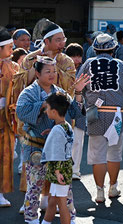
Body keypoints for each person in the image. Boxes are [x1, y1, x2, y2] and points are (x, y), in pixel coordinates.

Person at [16, 57, 87, 224]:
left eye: (54, 71)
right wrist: (44, 104)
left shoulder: (59, 92)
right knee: (34, 185)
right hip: (36, 146)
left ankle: (70, 216)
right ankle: (31, 217)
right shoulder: (28, 92)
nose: (52, 74)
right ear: (38, 73)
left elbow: (75, 113)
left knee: (65, 187)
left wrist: (77, 93)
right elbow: (21, 112)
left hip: (58, 151)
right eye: (48, 71)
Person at [78, 34, 123, 203]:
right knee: (114, 152)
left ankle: (99, 192)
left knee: (97, 153)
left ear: (94, 49)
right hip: (115, 114)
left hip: (94, 113)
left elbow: (78, 87)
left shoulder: (88, 65)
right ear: (114, 49)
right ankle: (113, 187)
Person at [40, 92, 76, 224]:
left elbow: (56, 153)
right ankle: (46, 222)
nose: (46, 111)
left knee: (61, 203)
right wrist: (52, 133)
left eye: (47, 108)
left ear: (54, 111)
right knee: (52, 199)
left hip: (59, 170)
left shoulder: (57, 130)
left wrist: (57, 172)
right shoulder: (65, 125)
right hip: (65, 167)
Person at [0, 29, 19, 207]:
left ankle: (0, 193)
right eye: (9, 47)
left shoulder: (13, 67)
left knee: (5, 156)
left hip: (6, 115)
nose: (12, 50)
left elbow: (21, 85)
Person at [64, 43, 86, 180]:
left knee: (78, 140)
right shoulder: (61, 70)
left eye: (79, 56)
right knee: (65, 140)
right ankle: (65, 169)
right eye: (73, 56)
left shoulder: (85, 70)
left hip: (80, 108)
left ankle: (75, 170)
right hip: (64, 109)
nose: (76, 60)